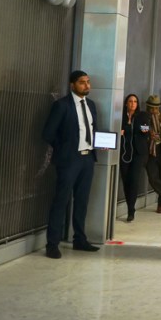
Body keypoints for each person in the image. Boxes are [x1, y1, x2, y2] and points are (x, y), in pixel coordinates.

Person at [41, 70, 101, 259]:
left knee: (82, 201)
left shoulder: (91, 105)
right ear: (72, 85)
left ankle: (79, 240)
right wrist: (64, 149)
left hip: (87, 159)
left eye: (88, 82)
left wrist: (96, 145)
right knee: (61, 201)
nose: (87, 85)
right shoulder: (61, 106)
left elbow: (92, 129)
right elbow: (48, 133)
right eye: (82, 82)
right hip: (69, 160)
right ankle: (52, 244)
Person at [120, 94, 149, 222]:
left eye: (135, 102)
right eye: (130, 101)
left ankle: (131, 209)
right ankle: (129, 204)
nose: (132, 104)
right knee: (126, 180)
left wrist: (128, 128)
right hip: (124, 153)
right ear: (126, 103)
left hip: (138, 153)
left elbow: (145, 129)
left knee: (134, 180)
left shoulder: (142, 116)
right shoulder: (120, 116)